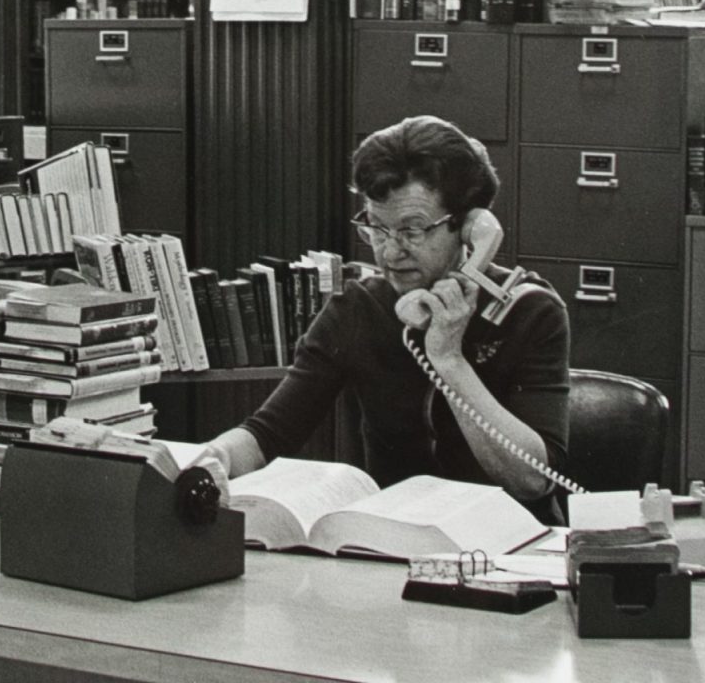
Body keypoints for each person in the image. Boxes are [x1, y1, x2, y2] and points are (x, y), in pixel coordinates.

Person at [195, 115, 571, 523]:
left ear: (467, 228)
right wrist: (211, 458)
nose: (391, 253)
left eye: (413, 230)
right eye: (377, 228)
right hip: (393, 542)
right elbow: (268, 433)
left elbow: (533, 480)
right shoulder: (357, 309)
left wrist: (448, 359)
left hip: (508, 548)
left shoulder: (530, 311)